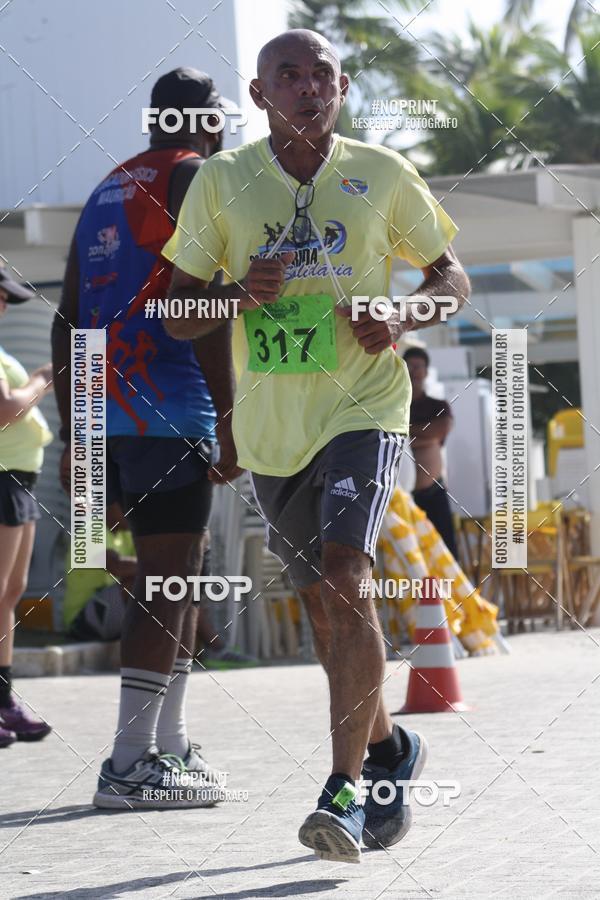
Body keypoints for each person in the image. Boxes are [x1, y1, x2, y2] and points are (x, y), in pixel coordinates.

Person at [162, 29, 470, 861]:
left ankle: (346, 793)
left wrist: (404, 314)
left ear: (341, 88)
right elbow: (174, 310)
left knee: (345, 577)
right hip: (272, 433)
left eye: (322, 76)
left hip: (363, 409)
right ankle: (391, 751)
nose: (307, 88)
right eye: (287, 77)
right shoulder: (221, 181)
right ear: (260, 97)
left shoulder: (381, 173)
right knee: (331, 615)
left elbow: (454, 281)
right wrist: (234, 293)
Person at [52, 67, 242, 809]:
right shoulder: (197, 177)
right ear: (210, 122)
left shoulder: (106, 186)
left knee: (176, 579)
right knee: (168, 584)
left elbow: (69, 316)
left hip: (107, 413)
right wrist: (228, 420)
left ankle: (170, 745)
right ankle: (129, 763)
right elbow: (201, 311)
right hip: (169, 406)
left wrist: (76, 433)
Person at [0, 267, 53, 748]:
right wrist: (40, 378)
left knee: (11, 591)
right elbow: (6, 408)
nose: (3, 307)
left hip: (19, 478)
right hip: (2, 478)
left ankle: (4, 699)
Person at [404, 346, 459, 557]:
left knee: (446, 552)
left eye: (418, 367)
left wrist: (408, 434)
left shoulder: (437, 405)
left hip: (434, 492)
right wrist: (422, 436)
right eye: (409, 366)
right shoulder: (396, 405)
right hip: (405, 498)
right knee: (414, 555)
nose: (413, 371)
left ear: (426, 371)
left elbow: (442, 428)